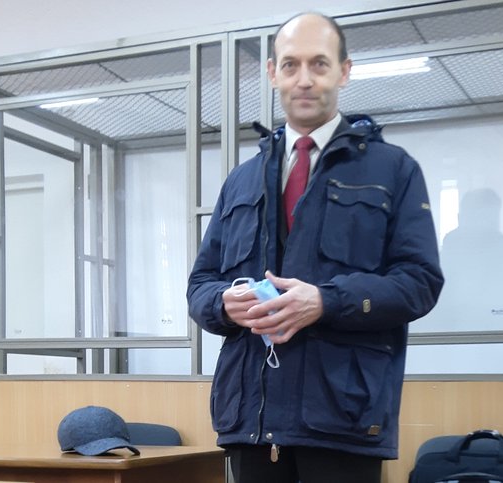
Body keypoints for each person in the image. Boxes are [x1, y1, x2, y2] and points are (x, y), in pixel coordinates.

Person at [187, 12, 443, 483]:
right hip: (251, 420)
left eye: (319, 64)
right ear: (272, 73)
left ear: (344, 71)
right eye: (290, 65)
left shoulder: (393, 170)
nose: (304, 79)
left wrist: (326, 301)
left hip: (341, 417)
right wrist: (223, 303)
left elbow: (419, 282)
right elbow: (200, 283)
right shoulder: (241, 179)